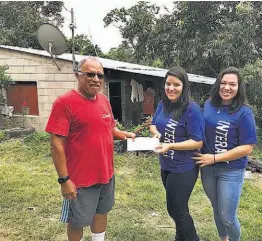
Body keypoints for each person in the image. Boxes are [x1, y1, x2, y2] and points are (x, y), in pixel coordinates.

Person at [45, 57, 135, 241]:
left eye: (100, 75)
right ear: (78, 75)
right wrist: (64, 180)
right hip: (80, 179)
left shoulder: (103, 100)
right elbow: (56, 144)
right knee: (78, 220)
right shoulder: (65, 103)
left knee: (102, 212)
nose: (96, 79)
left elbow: (109, 128)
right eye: (90, 74)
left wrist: (123, 134)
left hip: (106, 174)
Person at [193, 67, 257, 241]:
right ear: (218, 84)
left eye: (232, 84)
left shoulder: (244, 112)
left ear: (238, 88)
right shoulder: (208, 105)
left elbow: (247, 147)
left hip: (231, 171)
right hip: (207, 169)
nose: (227, 87)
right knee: (216, 209)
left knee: (227, 217)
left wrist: (214, 157)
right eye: (224, 83)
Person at [150, 66, 205, 241]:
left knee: (176, 209)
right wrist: (156, 133)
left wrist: (170, 146)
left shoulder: (192, 109)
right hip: (166, 165)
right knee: (179, 207)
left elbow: (198, 141)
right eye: (168, 84)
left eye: (176, 84)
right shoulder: (162, 104)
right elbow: (152, 123)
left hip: (184, 167)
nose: (171, 88)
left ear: (184, 87)